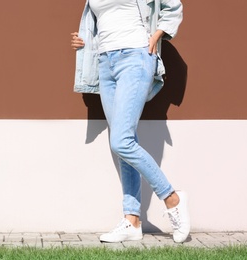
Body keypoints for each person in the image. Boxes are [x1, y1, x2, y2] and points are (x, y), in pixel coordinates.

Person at [71, 0, 190, 243]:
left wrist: (157, 36)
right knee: (124, 142)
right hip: (104, 62)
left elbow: (173, 6)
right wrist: (83, 39)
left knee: (121, 141)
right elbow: (99, 22)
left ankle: (172, 197)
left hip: (135, 56)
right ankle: (132, 220)